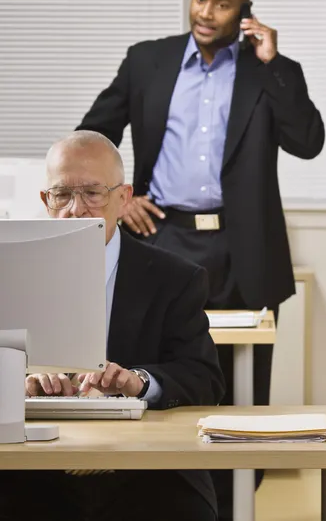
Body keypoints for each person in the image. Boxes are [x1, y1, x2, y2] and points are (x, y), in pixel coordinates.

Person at [76, 0, 324, 519]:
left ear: (246, 13)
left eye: (222, 4)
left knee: (242, 402)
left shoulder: (270, 70)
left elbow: (308, 141)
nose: (205, 13)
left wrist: (275, 63)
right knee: (154, 384)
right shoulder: (148, 60)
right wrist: (123, 197)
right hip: (161, 247)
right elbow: (92, 134)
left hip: (245, 254)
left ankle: (232, 507)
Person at [0, 131, 225, 521]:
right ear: (45, 201)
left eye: (92, 193)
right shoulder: (10, 269)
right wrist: (18, 383)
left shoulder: (175, 278)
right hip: (31, 464)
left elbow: (204, 377)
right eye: (62, 195)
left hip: (146, 469)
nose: (75, 210)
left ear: (123, 198)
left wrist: (138, 381)